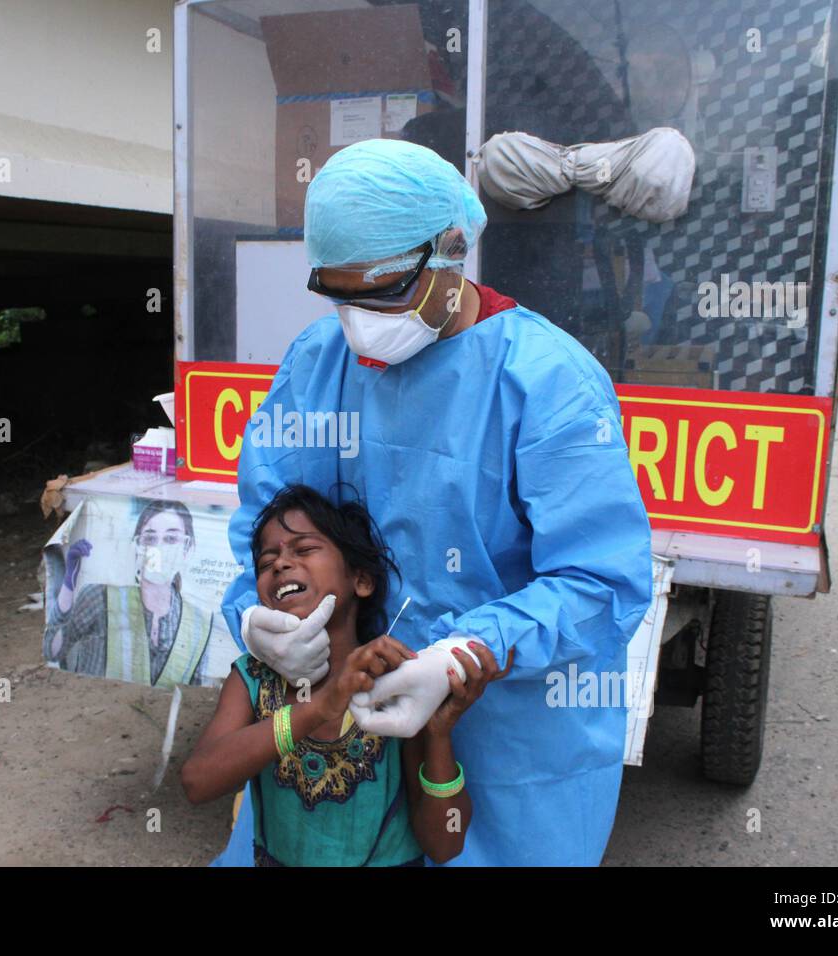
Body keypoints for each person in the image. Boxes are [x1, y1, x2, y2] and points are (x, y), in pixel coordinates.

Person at [214, 138, 653, 866]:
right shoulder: (319, 363)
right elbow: (266, 523)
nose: (360, 320)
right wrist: (253, 615)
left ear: (453, 249)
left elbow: (602, 585)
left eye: (384, 291)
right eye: (339, 293)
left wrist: (466, 653)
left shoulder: (549, 383)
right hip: (342, 723)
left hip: (510, 737)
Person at [182, 485, 499, 866]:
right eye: (267, 562)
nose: (281, 563)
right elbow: (197, 782)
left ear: (361, 581)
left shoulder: (399, 680)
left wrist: (438, 734)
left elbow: (446, 844)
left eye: (303, 549)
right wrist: (319, 707)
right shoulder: (252, 677)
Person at [43, 500, 216, 688]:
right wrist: (68, 584)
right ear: (137, 546)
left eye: (171, 539)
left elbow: (195, 693)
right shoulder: (100, 599)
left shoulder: (200, 625)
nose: (158, 549)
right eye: (150, 539)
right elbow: (52, 650)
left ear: (187, 549)